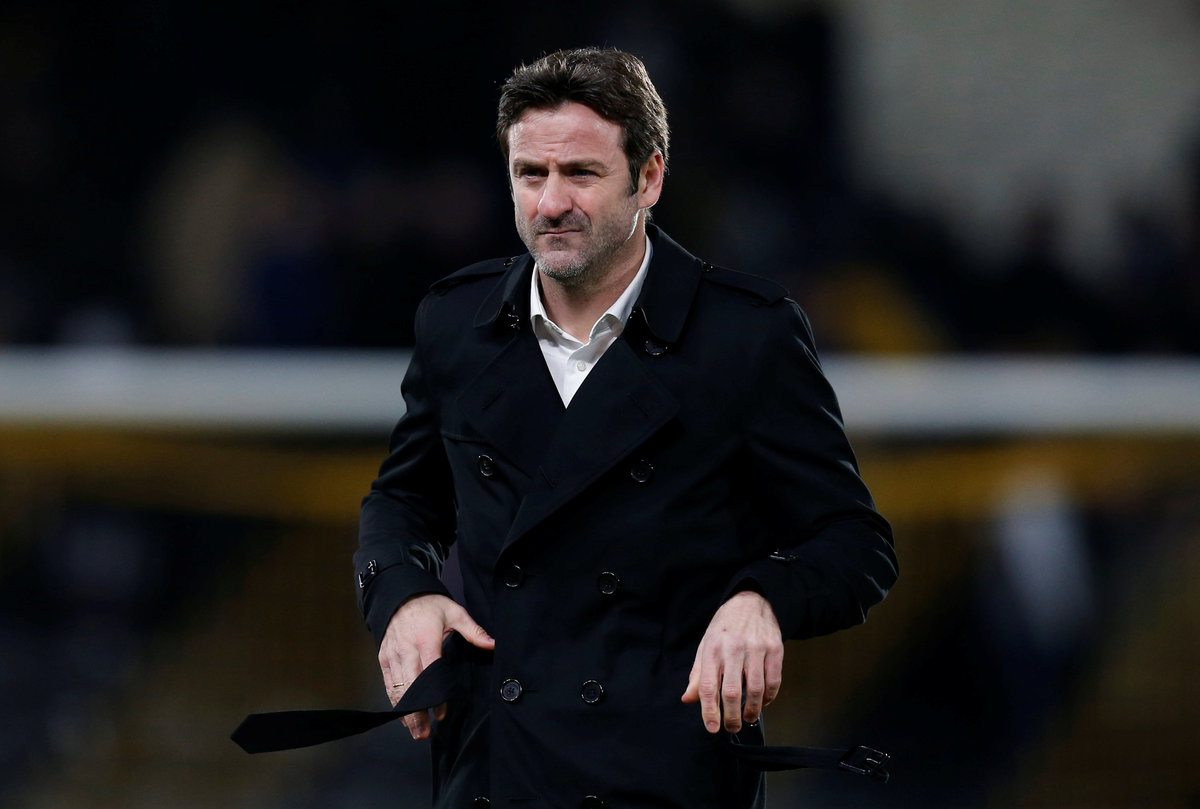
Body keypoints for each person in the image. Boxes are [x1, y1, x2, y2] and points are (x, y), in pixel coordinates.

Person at [353, 47, 898, 809]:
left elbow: (855, 542)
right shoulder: (454, 322)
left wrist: (763, 597)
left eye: (580, 173)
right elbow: (402, 502)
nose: (550, 203)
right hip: (495, 772)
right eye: (529, 174)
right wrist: (405, 596)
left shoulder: (747, 336)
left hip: (664, 778)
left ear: (649, 178)